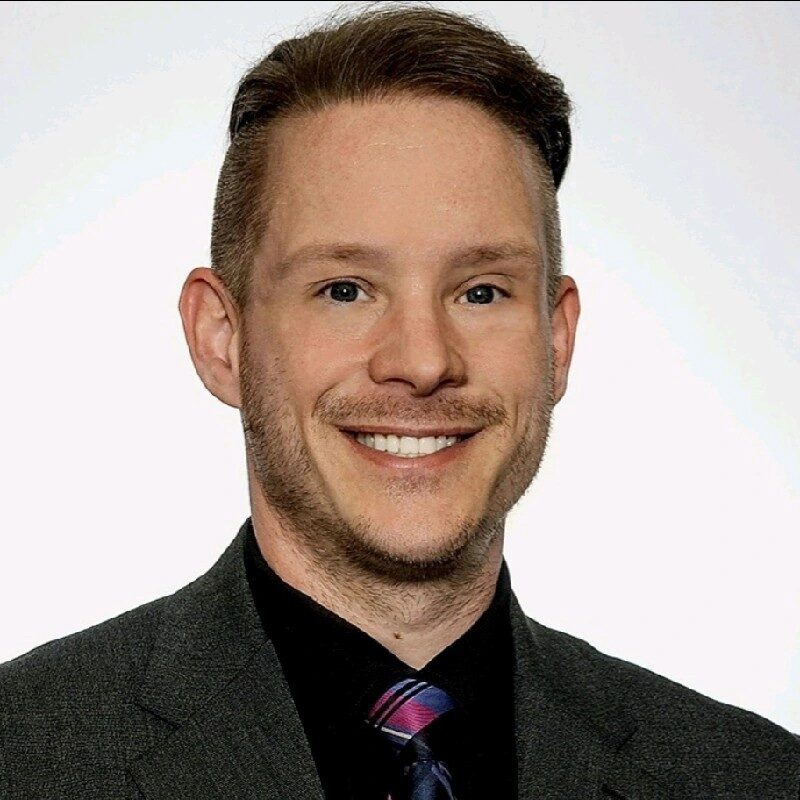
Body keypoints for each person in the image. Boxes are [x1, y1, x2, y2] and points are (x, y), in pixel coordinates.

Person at [1, 4, 798, 799]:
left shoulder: (752, 776)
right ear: (222, 339)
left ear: (556, 341)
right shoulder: (27, 754)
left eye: (481, 291)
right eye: (344, 289)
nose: (422, 362)